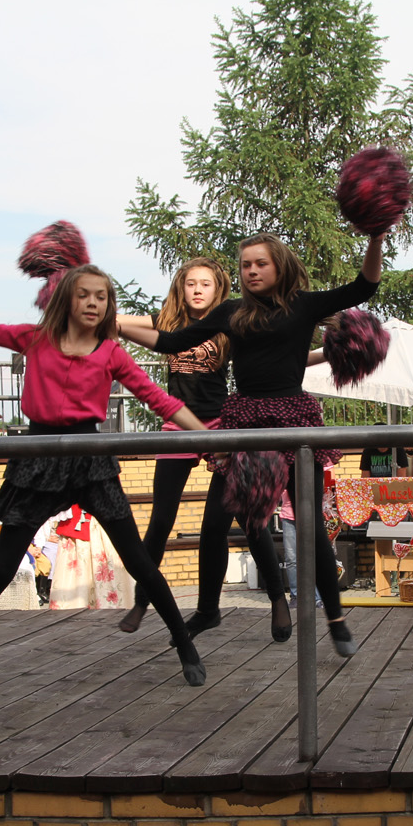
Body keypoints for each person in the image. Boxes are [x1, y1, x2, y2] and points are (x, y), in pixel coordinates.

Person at [0, 264, 212, 696]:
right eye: (84, 295)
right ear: (67, 300)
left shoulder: (111, 352)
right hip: (38, 460)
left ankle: (185, 644)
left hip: (90, 462)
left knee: (139, 561)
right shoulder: (35, 339)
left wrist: (210, 440)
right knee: (1, 569)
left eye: (101, 296)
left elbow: (160, 400)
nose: (93, 303)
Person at [119, 230, 386, 657]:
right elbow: (170, 342)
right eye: (246, 265)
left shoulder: (304, 305)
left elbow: (364, 286)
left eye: (261, 263)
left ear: (279, 265)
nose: (252, 271)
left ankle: (336, 619)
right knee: (216, 523)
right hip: (245, 423)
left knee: (309, 523)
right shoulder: (232, 312)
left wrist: (375, 239)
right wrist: (114, 325)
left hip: (294, 421)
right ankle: (208, 610)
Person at [116, 258, 233, 633]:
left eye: (205, 284)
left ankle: (215, 607)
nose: (197, 289)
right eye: (191, 283)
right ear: (181, 288)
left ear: (218, 289)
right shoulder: (168, 320)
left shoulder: (229, 323)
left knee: (231, 523)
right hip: (177, 424)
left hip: (218, 425)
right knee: (161, 520)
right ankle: (141, 601)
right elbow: (118, 321)